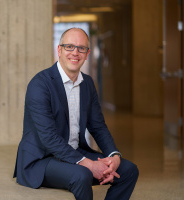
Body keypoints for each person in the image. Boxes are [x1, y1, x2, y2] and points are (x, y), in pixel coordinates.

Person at [13, 28, 138, 200]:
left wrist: (113, 156)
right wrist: (88, 164)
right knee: (82, 174)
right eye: (69, 47)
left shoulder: (87, 83)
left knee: (128, 170)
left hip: (74, 152)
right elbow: (48, 138)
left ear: (87, 54)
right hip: (41, 159)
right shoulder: (40, 84)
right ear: (59, 50)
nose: (75, 53)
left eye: (81, 48)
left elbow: (98, 127)